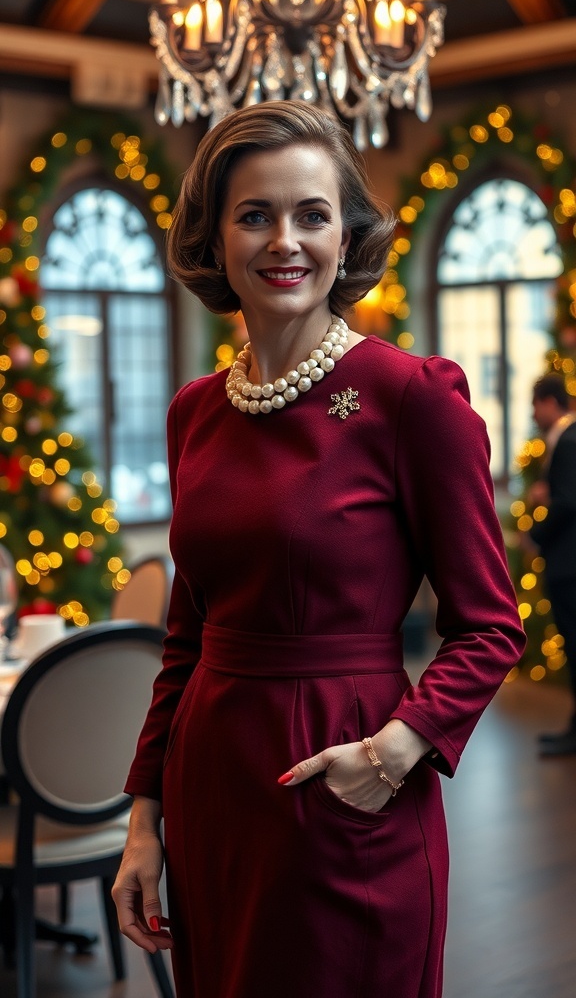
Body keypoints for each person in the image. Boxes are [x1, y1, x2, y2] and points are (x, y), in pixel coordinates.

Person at [112, 100, 525, 998]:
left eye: (311, 214)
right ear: (216, 240)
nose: (283, 242)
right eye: (254, 215)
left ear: (347, 235)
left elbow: (491, 627)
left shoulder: (413, 399)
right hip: (213, 787)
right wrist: (144, 819)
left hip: (351, 776)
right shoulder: (195, 412)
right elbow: (186, 637)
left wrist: (394, 753)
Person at [529, 373, 576, 756]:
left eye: (534, 404)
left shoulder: (569, 439)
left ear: (549, 402)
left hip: (569, 564)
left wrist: (536, 536)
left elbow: (569, 502)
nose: (532, 413)